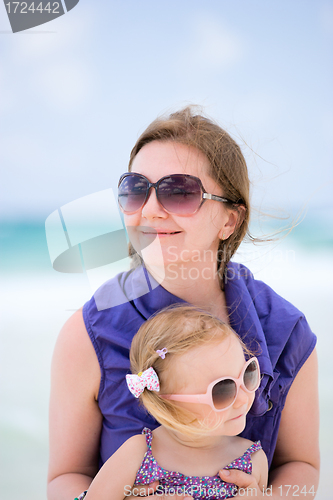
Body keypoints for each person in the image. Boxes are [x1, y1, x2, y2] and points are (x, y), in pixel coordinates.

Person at [47, 106, 319, 500]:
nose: (151, 209)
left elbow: (301, 465)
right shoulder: (87, 332)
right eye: (136, 188)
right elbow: (66, 476)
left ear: (230, 220)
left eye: (179, 192)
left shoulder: (288, 330)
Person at [84, 305, 268, 500]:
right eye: (222, 390)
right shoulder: (138, 454)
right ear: (168, 405)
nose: (243, 399)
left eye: (248, 375)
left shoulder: (253, 461)